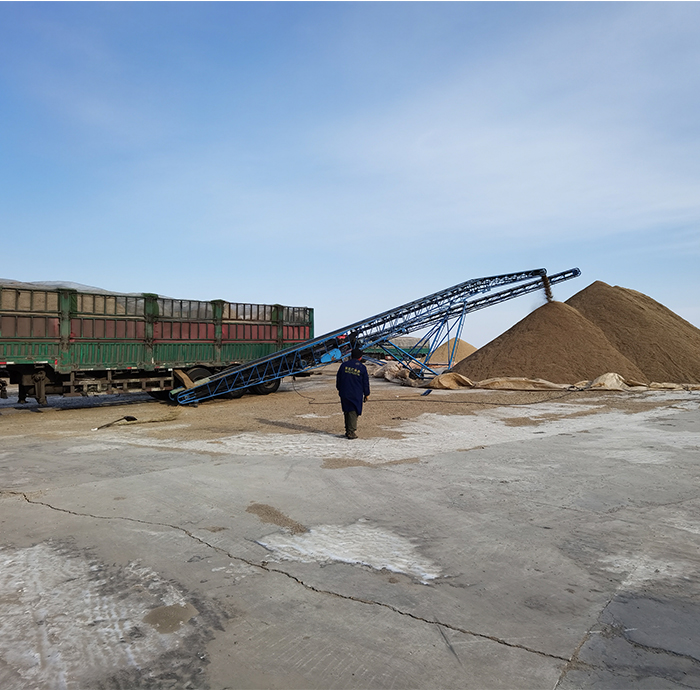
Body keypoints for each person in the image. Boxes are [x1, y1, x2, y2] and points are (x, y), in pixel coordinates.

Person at [335, 347, 370, 439]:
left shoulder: (344, 365)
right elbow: (365, 382)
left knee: (347, 410)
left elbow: (338, 378)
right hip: (356, 393)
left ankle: (348, 430)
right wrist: (367, 393)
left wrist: (339, 389)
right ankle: (351, 432)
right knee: (353, 411)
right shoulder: (362, 368)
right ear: (360, 357)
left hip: (344, 392)